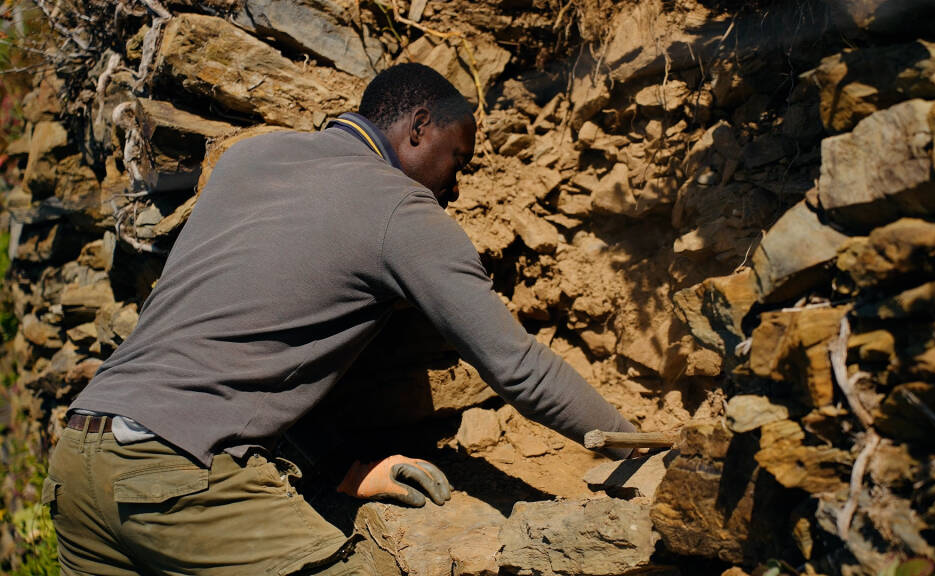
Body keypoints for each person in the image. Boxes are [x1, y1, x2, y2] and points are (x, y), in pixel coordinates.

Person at [44, 63, 636, 575]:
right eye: (458, 159)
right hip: (181, 476)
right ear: (419, 126)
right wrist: (634, 450)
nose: (455, 188)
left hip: (78, 461)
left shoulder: (253, 157)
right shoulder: (401, 208)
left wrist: (339, 466)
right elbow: (520, 368)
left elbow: (251, 339)